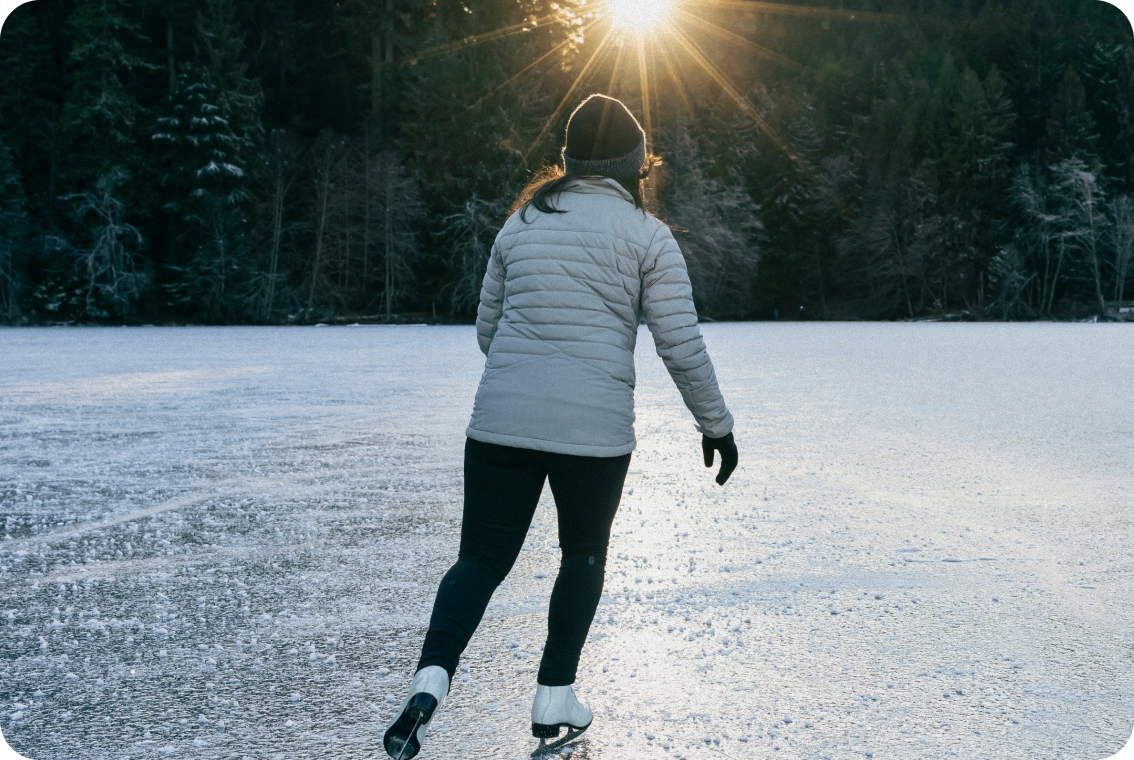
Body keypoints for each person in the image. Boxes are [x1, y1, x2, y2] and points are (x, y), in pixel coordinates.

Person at [383, 93, 738, 759]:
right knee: (583, 554)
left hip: (499, 425)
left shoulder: (521, 223)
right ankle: (553, 698)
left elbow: (488, 330)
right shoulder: (648, 237)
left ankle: (428, 684)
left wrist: (530, 369)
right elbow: (679, 343)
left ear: (570, 161)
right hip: (594, 433)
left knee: (480, 559)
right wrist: (715, 426)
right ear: (637, 166)